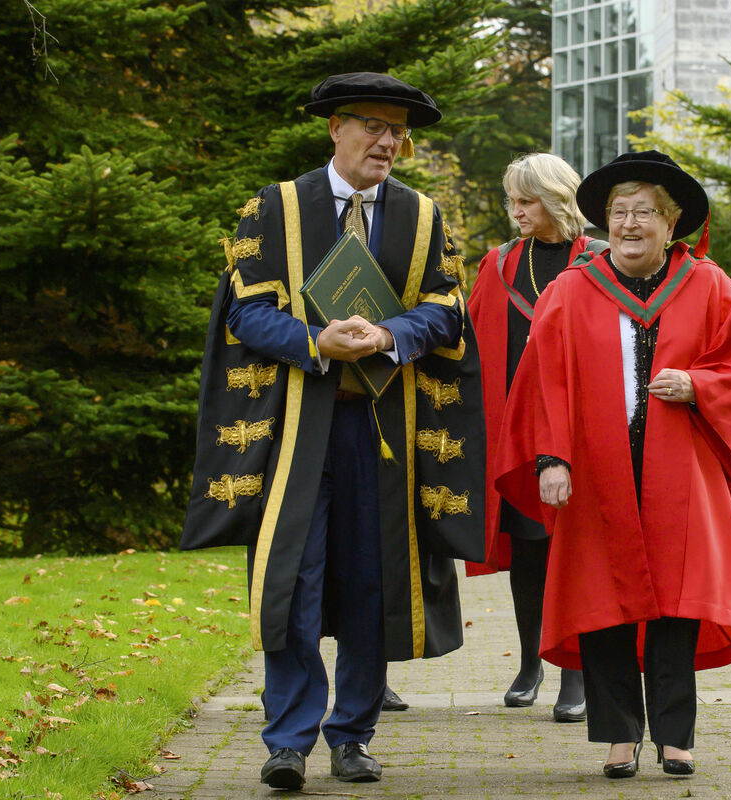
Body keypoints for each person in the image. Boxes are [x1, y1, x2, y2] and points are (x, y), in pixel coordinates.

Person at [180, 72, 485, 792]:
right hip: (295, 431)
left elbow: (447, 308)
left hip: (383, 428)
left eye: (398, 131)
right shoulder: (274, 208)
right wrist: (320, 343)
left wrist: (386, 334)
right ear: (334, 129)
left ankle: (352, 736)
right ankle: (288, 740)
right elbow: (246, 315)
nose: (388, 142)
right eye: (374, 126)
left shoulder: (422, 214)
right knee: (294, 578)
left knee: (371, 579)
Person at [495, 150, 731, 778]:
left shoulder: (708, 285)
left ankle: (675, 736)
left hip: (679, 471)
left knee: (676, 604)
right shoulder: (570, 290)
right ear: (604, 222)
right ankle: (619, 737)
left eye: (645, 212)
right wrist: (550, 460)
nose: (630, 224)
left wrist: (698, 385)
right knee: (603, 601)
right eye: (619, 212)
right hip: (595, 472)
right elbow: (542, 383)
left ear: (671, 224)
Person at [466, 153, 603, 722]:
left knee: (575, 549)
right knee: (528, 551)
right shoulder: (499, 264)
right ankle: (529, 661)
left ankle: (576, 672)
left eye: (526, 200)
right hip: (518, 430)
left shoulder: (597, 261)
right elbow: (469, 343)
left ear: (555, 199)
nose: (515, 211)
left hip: (580, 428)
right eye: (512, 201)